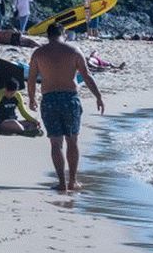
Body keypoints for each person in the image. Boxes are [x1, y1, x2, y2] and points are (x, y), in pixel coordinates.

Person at [27, 23, 104, 192]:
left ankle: (62, 182)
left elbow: (31, 79)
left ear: (48, 35)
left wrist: (31, 99)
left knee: (55, 143)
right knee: (72, 141)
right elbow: (87, 76)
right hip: (69, 99)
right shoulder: (74, 51)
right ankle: (73, 181)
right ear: (63, 34)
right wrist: (98, 96)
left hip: (49, 99)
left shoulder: (39, 53)